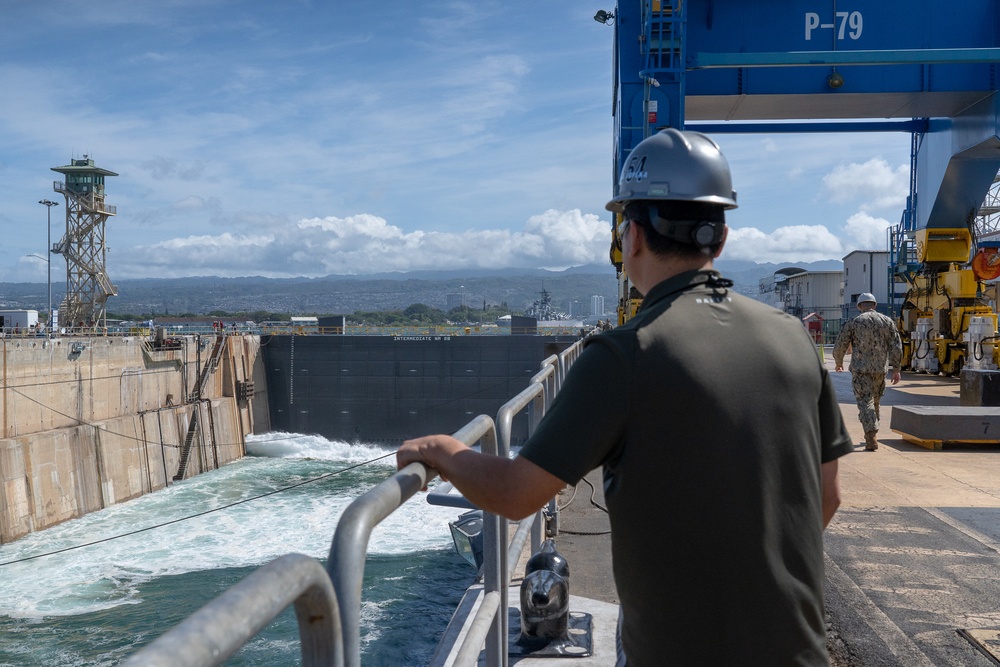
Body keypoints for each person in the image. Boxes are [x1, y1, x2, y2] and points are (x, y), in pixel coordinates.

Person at [397, 128, 852, 666]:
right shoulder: (794, 339)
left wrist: (441, 451)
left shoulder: (625, 354)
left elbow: (518, 494)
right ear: (721, 239)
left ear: (630, 236)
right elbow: (826, 496)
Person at [833, 292, 903, 451]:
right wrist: (896, 368)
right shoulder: (887, 322)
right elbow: (896, 346)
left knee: (865, 401)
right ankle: (873, 431)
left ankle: (870, 435)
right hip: (880, 370)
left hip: (861, 370)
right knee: (875, 401)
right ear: (875, 305)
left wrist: (838, 362)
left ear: (859, 306)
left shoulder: (854, 322)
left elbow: (841, 344)